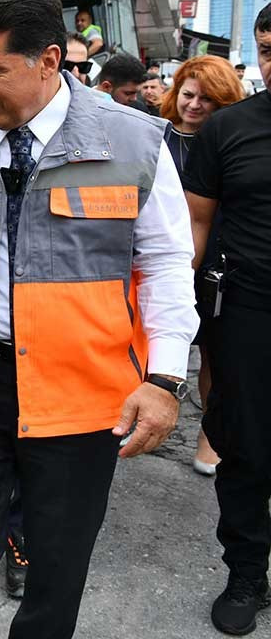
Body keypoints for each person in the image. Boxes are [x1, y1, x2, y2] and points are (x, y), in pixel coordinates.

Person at [0, 0, 197, 639]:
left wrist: (164, 379)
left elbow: (168, 264)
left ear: (49, 61)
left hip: (83, 398)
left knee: (55, 570)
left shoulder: (135, 144)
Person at [184, 1, 271, 636]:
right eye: (267, 50)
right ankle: (247, 571)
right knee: (244, 445)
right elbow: (195, 224)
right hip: (245, 310)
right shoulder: (229, 129)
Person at [158, 57, 244, 477]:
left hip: (213, 258)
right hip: (155, 254)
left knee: (211, 351)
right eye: (188, 95)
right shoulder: (154, 133)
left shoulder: (230, 139)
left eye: (207, 99)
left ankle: (209, 433)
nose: (194, 105)